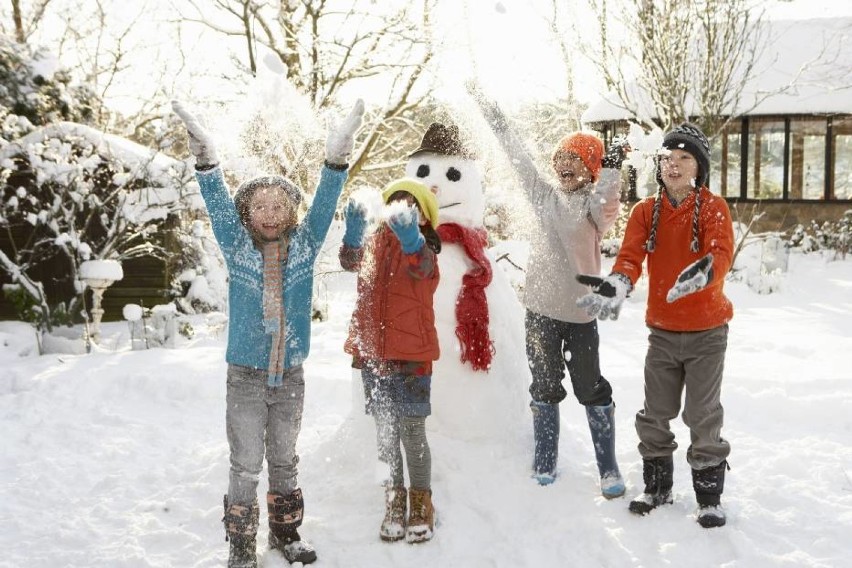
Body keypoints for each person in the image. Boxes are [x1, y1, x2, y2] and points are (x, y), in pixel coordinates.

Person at [172, 98, 364, 566]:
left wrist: (336, 160)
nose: (272, 212)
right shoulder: (237, 247)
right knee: (244, 465)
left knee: (284, 459)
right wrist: (206, 158)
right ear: (247, 212)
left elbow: (323, 204)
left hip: (290, 376)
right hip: (245, 376)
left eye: (280, 205)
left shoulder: (303, 247)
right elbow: (216, 201)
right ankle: (241, 544)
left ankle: (285, 532)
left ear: (291, 213)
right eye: (261, 205)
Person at [468, 84, 629, 497]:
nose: (564, 166)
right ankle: (545, 456)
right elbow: (517, 154)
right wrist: (492, 110)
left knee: (590, 387)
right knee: (544, 385)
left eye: (575, 160)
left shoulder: (594, 208)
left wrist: (612, 167)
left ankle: (608, 467)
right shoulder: (543, 196)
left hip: (580, 315)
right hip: (540, 310)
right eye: (560, 159)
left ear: (591, 168)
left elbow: (609, 202)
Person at [576, 122, 735, 528]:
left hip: (706, 333)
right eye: (668, 158)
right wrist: (618, 283)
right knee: (656, 412)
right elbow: (629, 257)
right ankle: (658, 486)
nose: (675, 165)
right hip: (662, 332)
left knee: (702, 414)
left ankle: (709, 497)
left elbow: (722, 252)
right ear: (659, 164)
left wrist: (705, 271)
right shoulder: (646, 211)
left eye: (684, 158)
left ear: (698, 167)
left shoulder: (713, 207)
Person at [339, 178, 441, 543]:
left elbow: (423, 270)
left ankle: (421, 502)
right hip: (375, 358)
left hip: (412, 357)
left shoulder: (425, 249)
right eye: (394, 202)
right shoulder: (373, 243)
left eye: (410, 205)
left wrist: (411, 239)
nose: (399, 208)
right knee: (385, 435)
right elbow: (351, 263)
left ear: (423, 217)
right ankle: (394, 500)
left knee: (412, 433)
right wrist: (352, 233)